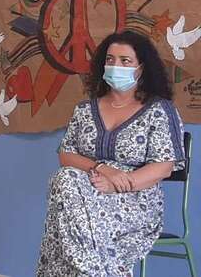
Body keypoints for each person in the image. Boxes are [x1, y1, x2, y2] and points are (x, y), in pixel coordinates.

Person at [36, 30, 186, 277]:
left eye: (125, 61)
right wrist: (103, 169)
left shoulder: (159, 110)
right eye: (110, 59)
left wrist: (118, 184)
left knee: (64, 214)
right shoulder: (85, 109)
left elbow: (163, 166)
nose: (116, 66)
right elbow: (66, 155)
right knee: (64, 180)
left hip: (135, 199)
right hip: (85, 192)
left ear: (141, 68)